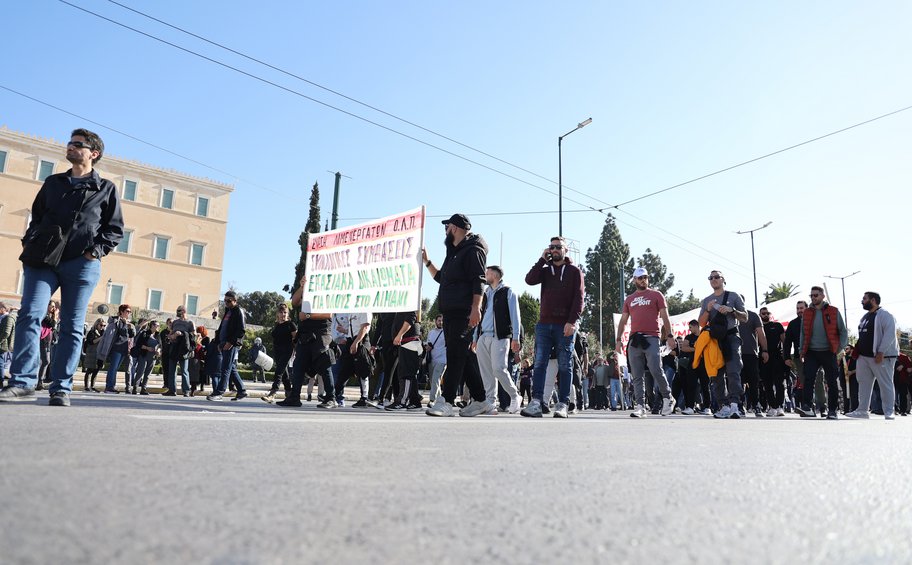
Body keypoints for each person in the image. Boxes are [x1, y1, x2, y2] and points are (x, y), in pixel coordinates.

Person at [0, 129, 123, 406]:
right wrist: (30, 240)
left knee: (71, 325)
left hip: (81, 263)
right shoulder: (53, 182)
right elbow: (37, 216)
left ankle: (61, 387)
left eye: (77, 144)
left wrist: (95, 252)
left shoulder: (105, 188)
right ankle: (22, 382)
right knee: (29, 314)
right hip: (42, 260)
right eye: (69, 143)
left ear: (94, 153)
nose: (70, 147)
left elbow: (114, 230)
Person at [422, 213, 493, 417]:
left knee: (454, 354)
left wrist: (475, 308)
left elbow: (479, 279)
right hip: (450, 312)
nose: (445, 231)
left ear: (454, 228)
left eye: (447, 227)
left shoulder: (473, 249)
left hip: (464, 311)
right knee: (463, 354)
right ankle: (481, 400)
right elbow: (441, 278)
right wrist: (427, 262)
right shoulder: (454, 252)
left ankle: (446, 401)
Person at [520, 236, 585, 419]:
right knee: (539, 364)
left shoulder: (574, 271)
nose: (555, 250)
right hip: (544, 324)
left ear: (566, 250)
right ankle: (537, 403)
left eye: (558, 247)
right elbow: (529, 280)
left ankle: (563, 403)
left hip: (564, 325)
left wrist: (572, 322)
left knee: (565, 365)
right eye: (552, 247)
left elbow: (579, 299)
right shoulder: (545, 270)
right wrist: (542, 259)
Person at [613, 267, 675, 418]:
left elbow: (665, 317)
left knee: (655, 369)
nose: (643, 280)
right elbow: (623, 320)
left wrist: (670, 335)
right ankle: (640, 406)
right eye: (640, 278)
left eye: (645, 277)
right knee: (636, 374)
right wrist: (618, 340)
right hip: (635, 339)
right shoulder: (629, 299)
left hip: (652, 337)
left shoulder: (656, 295)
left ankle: (668, 398)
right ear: (634, 280)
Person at [277, 276, 335, 409]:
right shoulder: (307, 290)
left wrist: (308, 315)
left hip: (321, 333)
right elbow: (294, 302)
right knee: (298, 365)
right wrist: (302, 287)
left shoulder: (327, 292)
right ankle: (294, 397)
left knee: (324, 365)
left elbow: (329, 314)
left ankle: (331, 398)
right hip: (305, 333)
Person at [698, 270, 748, 420]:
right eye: (710, 278)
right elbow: (701, 323)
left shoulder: (734, 296)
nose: (713, 279)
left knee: (733, 370)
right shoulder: (707, 300)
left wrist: (732, 310)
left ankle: (735, 405)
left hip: (731, 336)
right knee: (716, 374)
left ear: (723, 280)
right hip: (714, 340)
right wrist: (708, 310)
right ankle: (723, 406)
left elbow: (745, 317)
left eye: (716, 277)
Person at [474, 265, 522, 414]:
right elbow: (479, 314)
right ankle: (490, 403)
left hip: (499, 336)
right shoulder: (485, 293)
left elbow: (515, 315)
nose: (485, 275)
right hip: (483, 336)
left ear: (495, 275)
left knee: (498, 368)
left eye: (487, 273)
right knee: (486, 372)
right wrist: (475, 337)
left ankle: (515, 395)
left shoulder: (508, 291)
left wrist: (516, 337)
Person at [797, 286, 848, 419]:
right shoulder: (807, 312)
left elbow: (843, 331)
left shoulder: (833, 311)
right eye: (811, 296)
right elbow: (803, 332)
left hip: (829, 351)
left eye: (816, 295)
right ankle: (807, 407)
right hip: (811, 352)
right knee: (808, 379)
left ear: (822, 296)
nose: (813, 298)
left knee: (831, 381)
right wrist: (801, 350)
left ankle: (832, 410)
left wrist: (839, 348)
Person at [846, 292, 898, 420]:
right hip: (864, 357)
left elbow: (889, 335)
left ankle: (889, 411)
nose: (862, 301)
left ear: (873, 300)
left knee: (885, 383)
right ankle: (862, 410)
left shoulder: (885, 315)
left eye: (864, 299)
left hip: (881, 357)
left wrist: (881, 352)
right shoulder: (865, 317)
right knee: (863, 383)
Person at [208, 291, 248, 401]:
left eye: (229, 301)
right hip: (223, 342)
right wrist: (217, 342)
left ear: (235, 301)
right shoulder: (228, 311)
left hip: (231, 344)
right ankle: (242, 391)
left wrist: (230, 343)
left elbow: (241, 330)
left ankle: (219, 392)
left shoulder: (238, 311)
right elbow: (222, 327)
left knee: (225, 368)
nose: (226, 302)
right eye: (225, 300)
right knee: (232, 368)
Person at [330, 311, 374, 408]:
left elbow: (364, 328)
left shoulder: (365, 310)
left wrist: (356, 342)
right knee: (344, 372)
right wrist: (345, 331)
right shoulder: (352, 311)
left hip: (360, 342)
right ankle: (334, 396)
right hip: (350, 341)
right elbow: (353, 329)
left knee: (363, 371)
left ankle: (364, 398)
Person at [386, 310, 424, 410]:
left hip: (409, 342)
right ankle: (415, 402)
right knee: (410, 374)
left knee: (406, 374)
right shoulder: (405, 303)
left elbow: (411, 317)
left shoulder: (409, 303)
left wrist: (399, 335)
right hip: (407, 343)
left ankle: (402, 401)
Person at [738, 299, 769, 417]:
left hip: (751, 353)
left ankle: (756, 405)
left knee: (754, 381)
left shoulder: (753, 315)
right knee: (737, 382)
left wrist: (765, 350)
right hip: (735, 354)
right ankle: (739, 405)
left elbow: (761, 334)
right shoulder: (729, 316)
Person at [263, 304, 297, 404]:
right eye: (281, 312)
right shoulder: (277, 325)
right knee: (284, 374)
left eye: (285, 312)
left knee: (279, 371)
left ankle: (273, 393)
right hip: (277, 351)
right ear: (278, 314)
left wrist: (296, 351)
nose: (283, 314)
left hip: (287, 350)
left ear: (288, 314)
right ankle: (289, 394)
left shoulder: (291, 324)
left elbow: (295, 338)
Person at [166, 306, 195, 397]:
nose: (177, 312)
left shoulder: (190, 323)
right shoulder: (175, 322)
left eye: (179, 311)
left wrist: (182, 334)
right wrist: (172, 336)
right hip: (174, 347)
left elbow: (194, 336)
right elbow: (169, 335)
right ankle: (172, 390)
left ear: (184, 311)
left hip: (184, 349)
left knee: (184, 371)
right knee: (172, 370)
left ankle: (186, 390)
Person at [131, 320, 160, 395]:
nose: (158, 327)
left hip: (153, 357)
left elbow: (160, 345)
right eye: (157, 325)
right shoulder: (144, 333)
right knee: (140, 371)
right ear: (152, 326)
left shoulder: (158, 335)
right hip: (144, 355)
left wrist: (159, 351)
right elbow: (138, 344)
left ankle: (143, 388)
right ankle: (135, 388)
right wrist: (147, 348)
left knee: (148, 373)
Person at [37, 300, 60, 390]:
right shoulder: (44, 315)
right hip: (42, 339)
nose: (54, 308)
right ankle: (39, 381)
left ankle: (40, 382)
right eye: (52, 306)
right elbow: (53, 325)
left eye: (54, 306)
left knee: (45, 361)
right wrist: (55, 315)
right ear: (47, 306)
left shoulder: (50, 315)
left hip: (48, 341)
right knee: (45, 361)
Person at [424, 314, 447, 407]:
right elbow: (427, 342)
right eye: (439, 320)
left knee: (435, 379)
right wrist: (427, 346)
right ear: (435, 321)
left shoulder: (446, 332)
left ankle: (432, 400)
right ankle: (440, 401)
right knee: (433, 382)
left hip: (442, 360)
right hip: (431, 359)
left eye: (442, 321)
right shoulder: (431, 332)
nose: (440, 322)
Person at [81, 318, 106, 392]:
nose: (102, 327)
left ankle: (93, 386)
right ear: (97, 324)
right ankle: (86, 386)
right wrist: (101, 338)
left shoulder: (103, 332)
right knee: (90, 370)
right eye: (101, 325)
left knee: (96, 370)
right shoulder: (92, 332)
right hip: (91, 352)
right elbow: (91, 342)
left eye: (104, 325)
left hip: (99, 353)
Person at [0, 304, 17, 388]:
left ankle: (0, 382)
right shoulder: (4, 317)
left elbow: (6, 332)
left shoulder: (8, 318)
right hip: (3, 343)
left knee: (0, 363)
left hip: (3, 345)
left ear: (3, 309)